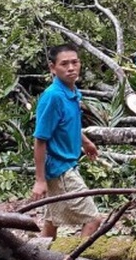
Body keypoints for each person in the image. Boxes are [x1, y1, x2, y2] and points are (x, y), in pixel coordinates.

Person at [31, 44, 103, 239]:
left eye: (74, 62)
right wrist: (40, 179)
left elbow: (68, 124)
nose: (71, 67)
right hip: (59, 168)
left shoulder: (71, 91)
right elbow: (40, 139)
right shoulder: (53, 97)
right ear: (52, 68)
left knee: (52, 221)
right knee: (93, 219)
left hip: (66, 164)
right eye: (64, 64)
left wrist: (85, 142)